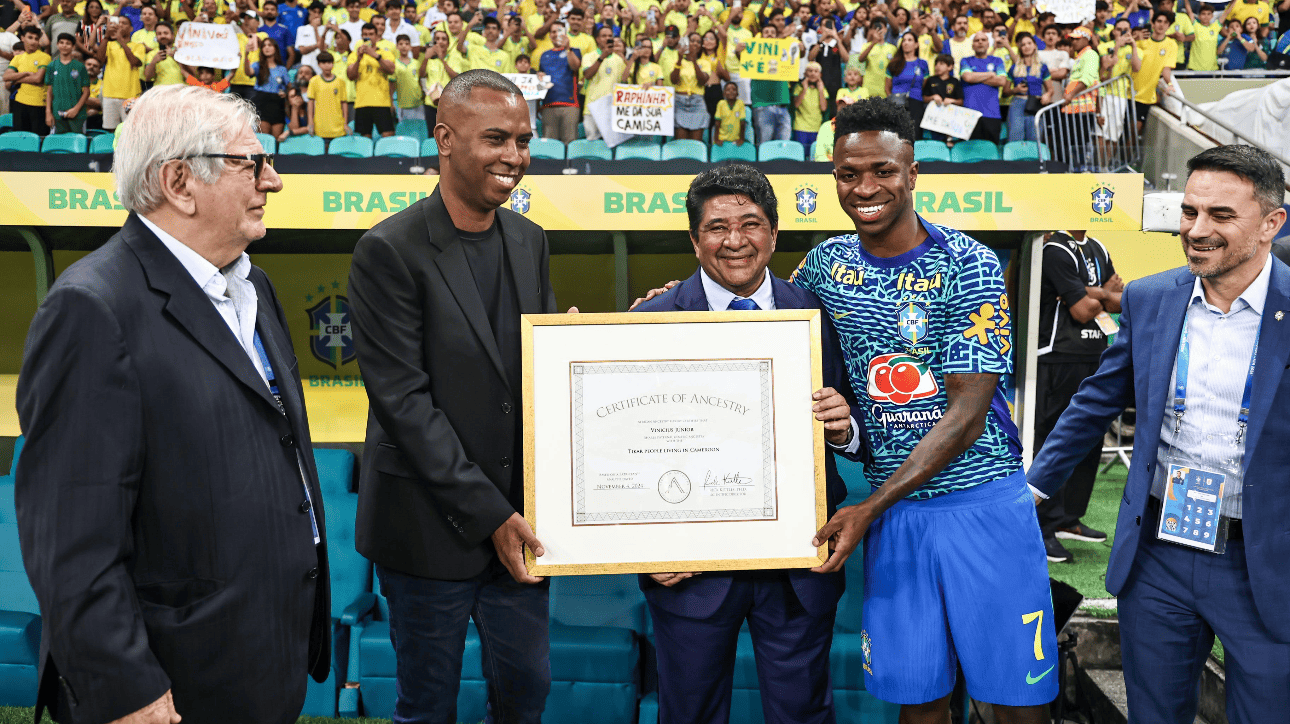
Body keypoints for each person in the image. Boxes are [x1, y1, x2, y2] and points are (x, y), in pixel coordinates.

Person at [15, 84, 330, 724]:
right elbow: (71, 541)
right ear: (180, 181)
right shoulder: (92, 308)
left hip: (261, 663)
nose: (273, 179)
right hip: (171, 686)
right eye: (252, 163)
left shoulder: (254, 285)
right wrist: (127, 689)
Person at [789, 98, 1055, 724]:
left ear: (912, 171)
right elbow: (768, 326)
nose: (865, 188)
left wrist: (867, 508)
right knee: (920, 701)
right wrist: (670, 306)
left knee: (1014, 703)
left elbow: (966, 415)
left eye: (882, 170)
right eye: (848, 175)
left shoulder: (970, 264)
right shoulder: (828, 264)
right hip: (896, 518)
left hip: (981, 506)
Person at [1027, 144, 1290, 724]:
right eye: (1189, 212)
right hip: (1159, 555)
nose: (1197, 230)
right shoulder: (1152, 298)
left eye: (1220, 216)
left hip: (1265, 560)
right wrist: (1034, 491)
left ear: (1273, 222)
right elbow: (1094, 401)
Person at [349, 70, 560, 724]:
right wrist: (490, 515)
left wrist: (573, 354)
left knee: (526, 692)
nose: (515, 157)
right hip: (425, 528)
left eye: (524, 141)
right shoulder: (388, 249)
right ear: (443, 138)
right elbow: (404, 405)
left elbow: (530, 375)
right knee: (426, 704)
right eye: (496, 138)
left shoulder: (530, 241)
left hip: (519, 527)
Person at [633, 163, 864, 724]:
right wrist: (644, 546)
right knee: (688, 715)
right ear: (694, 239)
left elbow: (861, 425)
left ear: (775, 234)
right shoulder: (647, 319)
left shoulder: (819, 313)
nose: (735, 241)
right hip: (687, 567)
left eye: (751, 224)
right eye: (716, 227)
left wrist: (847, 428)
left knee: (804, 714)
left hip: (797, 564)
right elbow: (625, 452)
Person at [1032, 229, 1119, 563]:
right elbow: (1083, 311)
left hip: (1094, 352)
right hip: (1058, 356)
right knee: (1056, 440)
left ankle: (1069, 517)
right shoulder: (1055, 248)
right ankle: (1045, 526)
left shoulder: (1098, 244)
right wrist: (1101, 293)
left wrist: (1090, 293)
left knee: (1090, 439)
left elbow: (1119, 300)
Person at [348, 22, 396, 136]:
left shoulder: (385, 53)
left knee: (388, 137)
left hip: (382, 103)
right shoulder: (354, 55)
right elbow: (350, 76)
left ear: (376, 36)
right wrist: (359, 60)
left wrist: (375, 56)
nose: (367, 37)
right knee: (364, 140)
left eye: (370, 34)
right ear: (361, 36)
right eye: (365, 34)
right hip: (361, 103)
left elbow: (391, 70)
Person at [1131, 10, 1176, 131]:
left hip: (1146, 95)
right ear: (1153, 23)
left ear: (1169, 26)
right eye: (1159, 21)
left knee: (1135, 129)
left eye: (1165, 22)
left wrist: (1169, 84)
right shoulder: (1141, 41)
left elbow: (1166, 68)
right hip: (1128, 91)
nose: (1162, 25)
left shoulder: (1171, 45)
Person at [538, 21, 580, 144]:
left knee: (570, 142)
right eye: (553, 31)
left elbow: (575, 67)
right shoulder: (544, 55)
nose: (556, 34)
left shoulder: (574, 51)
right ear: (550, 35)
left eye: (559, 31)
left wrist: (567, 48)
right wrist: (539, 76)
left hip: (570, 104)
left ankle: (571, 164)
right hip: (548, 105)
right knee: (550, 145)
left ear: (565, 33)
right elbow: (541, 80)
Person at [959, 30, 1006, 142]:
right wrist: (990, 74)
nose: (980, 42)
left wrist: (975, 77)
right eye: (977, 40)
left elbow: (1002, 81)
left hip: (992, 114)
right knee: (970, 153)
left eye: (983, 40)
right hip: (969, 114)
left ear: (988, 44)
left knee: (991, 151)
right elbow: (967, 78)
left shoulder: (997, 61)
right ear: (972, 45)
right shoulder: (965, 60)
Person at [1005, 32, 1051, 144]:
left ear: (1035, 45)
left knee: (1035, 139)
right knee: (1015, 138)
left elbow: (1050, 89)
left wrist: (1047, 95)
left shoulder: (1043, 67)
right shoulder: (1014, 68)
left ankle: (1034, 161)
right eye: (1023, 44)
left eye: (1029, 43)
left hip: (1035, 104)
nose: (1026, 46)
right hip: (1017, 104)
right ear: (1020, 48)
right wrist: (1016, 90)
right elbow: (1005, 92)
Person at [4, 25, 50, 133]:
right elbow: (6, 77)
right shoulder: (18, 58)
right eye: (30, 37)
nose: (33, 41)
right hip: (19, 103)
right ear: (22, 38)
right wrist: (26, 73)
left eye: (36, 39)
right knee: (19, 139)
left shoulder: (45, 57)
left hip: (39, 104)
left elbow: (38, 79)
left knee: (37, 139)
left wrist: (17, 79)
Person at [44, 32, 88, 133]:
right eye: (61, 42)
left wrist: (76, 109)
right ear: (57, 45)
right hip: (57, 114)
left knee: (78, 145)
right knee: (59, 145)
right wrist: (48, 112)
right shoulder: (51, 66)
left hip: (78, 115)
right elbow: (49, 92)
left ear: (73, 46)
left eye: (68, 43)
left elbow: (86, 91)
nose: (64, 45)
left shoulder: (80, 66)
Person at [886, 30, 928, 130]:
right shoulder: (893, 63)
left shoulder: (923, 64)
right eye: (904, 40)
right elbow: (887, 87)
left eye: (910, 40)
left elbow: (924, 85)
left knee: (915, 135)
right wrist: (892, 101)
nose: (906, 42)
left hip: (916, 102)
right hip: (897, 103)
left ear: (916, 45)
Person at [249, 36, 290, 136]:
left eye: (270, 45)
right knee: (264, 139)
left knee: (276, 140)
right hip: (262, 102)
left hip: (277, 104)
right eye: (264, 46)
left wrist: (285, 93)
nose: (267, 48)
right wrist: (246, 55)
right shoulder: (257, 65)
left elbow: (289, 87)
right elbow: (248, 72)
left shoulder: (282, 69)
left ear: (275, 48)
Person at [308, 49, 348, 139]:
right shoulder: (314, 81)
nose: (327, 65)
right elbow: (311, 102)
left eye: (329, 62)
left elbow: (344, 103)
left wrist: (345, 123)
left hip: (338, 127)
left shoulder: (340, 81)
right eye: (323, 63)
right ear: (319, 64)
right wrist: (310, 122)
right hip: (320, 127)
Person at [791, 60, 826, 146]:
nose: (813, 74)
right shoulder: (799, 88)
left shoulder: (822, 89)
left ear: (820, 75)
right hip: (800, 127)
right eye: (810, 71)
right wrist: (805, 89)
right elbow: (796, 104)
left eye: (816, 71)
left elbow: (823, 108)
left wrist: (821, 90)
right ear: (805, 74)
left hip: (816, 128)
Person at [142, 21, 182, 85]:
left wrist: (175, 57)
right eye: (159, 34)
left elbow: (194, 73)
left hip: (183, 91)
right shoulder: (152, 54)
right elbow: (147, 78)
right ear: (156, 36)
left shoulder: (181, 50)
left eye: (166, 33)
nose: (162, 36)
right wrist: (154, 62)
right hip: (160, 92)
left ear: (172, 35)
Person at [1185, 3, 1221, 71]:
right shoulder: (1195, 25)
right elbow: (1189, 11)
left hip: (1212, 69)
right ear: (1199, 16)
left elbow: (1226, 12)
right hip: (1195, 69)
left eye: (1208, 14)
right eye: (1203, 14)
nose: (1206, 16)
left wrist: (1233, 2)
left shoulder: (1216, 27)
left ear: (1212, 16)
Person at [711, 80, 745, 147]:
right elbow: (717, 123)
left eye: (734, 90)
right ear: (724, 94)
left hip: (736, 139)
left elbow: (742, 123)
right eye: (728, 90)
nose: (731, 92)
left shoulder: (740, 103)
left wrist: (741, 139)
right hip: (722, 139)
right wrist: (716, 139)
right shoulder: (721, 104)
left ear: (737, 93)